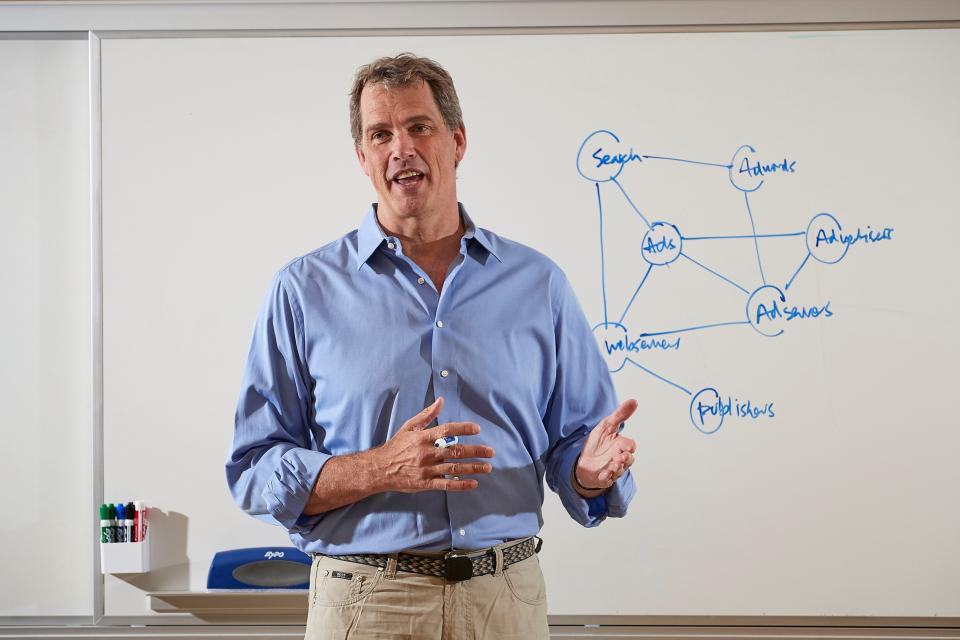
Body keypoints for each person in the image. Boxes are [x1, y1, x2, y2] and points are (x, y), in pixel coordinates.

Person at [226, 53, 638, 640]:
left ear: (457, 141)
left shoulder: (538, 284)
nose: (401, 148)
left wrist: (592, 474)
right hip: (366, 602)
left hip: (505, 601)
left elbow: (578, 447)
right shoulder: (303, 290)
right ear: (363, 157)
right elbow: (253, 467)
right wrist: (378, 468)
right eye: (380, 133)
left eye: (419, 126)